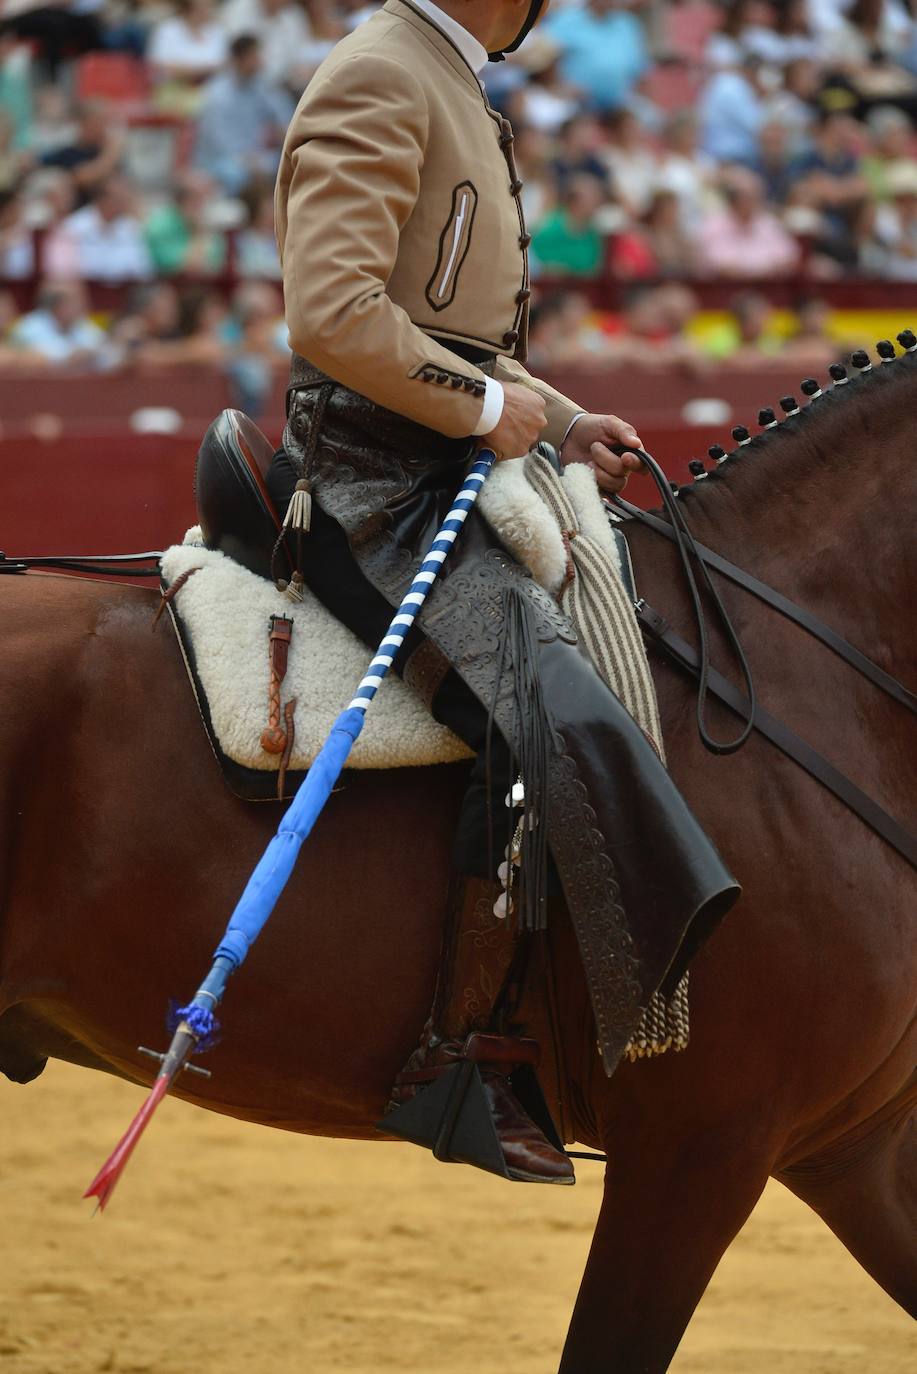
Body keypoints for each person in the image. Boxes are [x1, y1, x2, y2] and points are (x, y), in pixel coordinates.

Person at [268, 0, 738, 1185]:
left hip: (429, 459)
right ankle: (455, 1060)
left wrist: (561, 419)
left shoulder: (440, 70)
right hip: (371, 479)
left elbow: (448, 329)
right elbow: (332, 311)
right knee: (536, 710)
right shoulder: (383, 71)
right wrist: (485, 413)